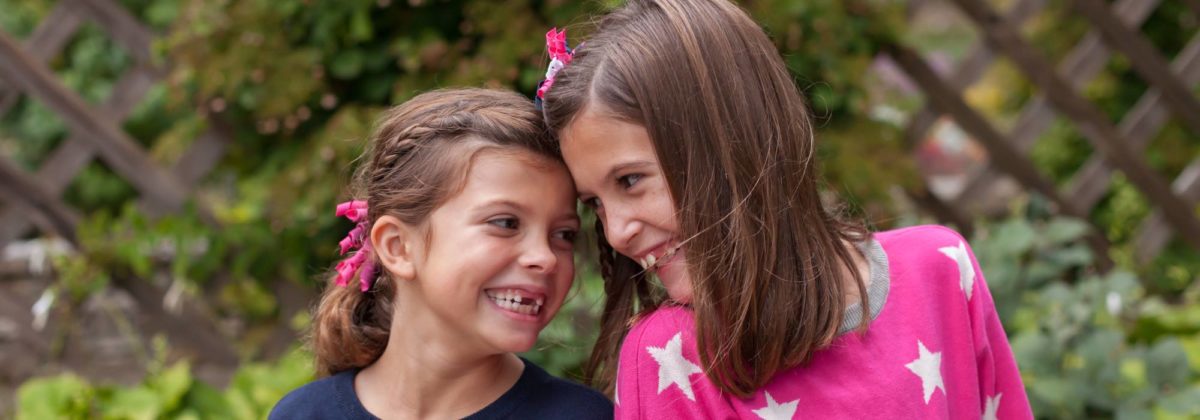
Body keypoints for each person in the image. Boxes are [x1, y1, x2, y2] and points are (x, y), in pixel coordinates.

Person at [538, 0, 1033, 418]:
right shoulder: (670, 357)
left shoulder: (940, 269)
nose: (617, 232)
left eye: (631, 180)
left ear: (730, 141)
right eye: (595, 205)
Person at [270, 88, 613, 419]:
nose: (546, 257)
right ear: (397, 246)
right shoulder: (301, 414)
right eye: (506, 222)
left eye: (564, 234)